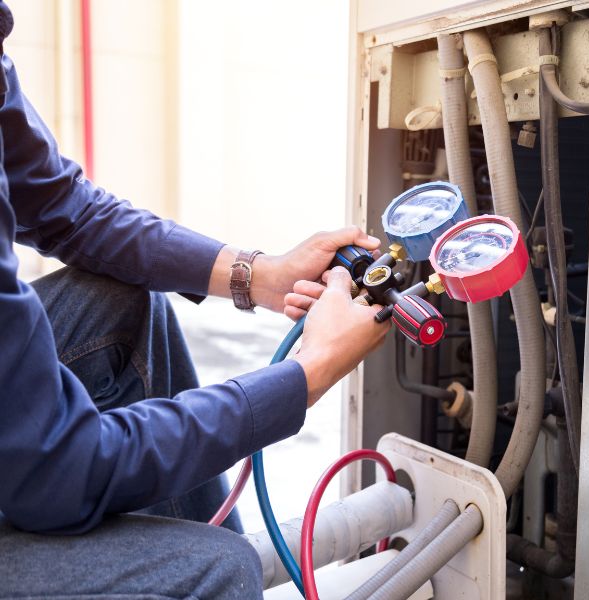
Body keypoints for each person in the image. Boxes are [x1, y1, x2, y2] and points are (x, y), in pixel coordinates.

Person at [0, 3, 389, 597]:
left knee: (119, 304)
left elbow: (60, 205)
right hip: (48, 467)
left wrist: (263, 275)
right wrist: (306, 375)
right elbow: (62, 469)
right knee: (214, 566)